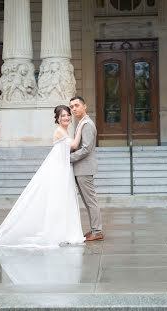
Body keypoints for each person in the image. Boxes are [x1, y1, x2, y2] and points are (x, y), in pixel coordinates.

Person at [0, 105, 88, 248]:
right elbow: (74, 145)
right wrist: (82, 125)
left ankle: (64, 232)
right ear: (57, 119)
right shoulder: (60, 130)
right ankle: (56, 232)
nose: (66, 117)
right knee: (57, 199)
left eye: (67, 115)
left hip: (63, 167)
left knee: (64, 199)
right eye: (63, 116)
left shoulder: (65, 130)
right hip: (57, 169)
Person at [69, 96, 104, 242]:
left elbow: (86, 149)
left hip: (84, 169)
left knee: (91, 202)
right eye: (71, 107)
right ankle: (94, 229)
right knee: (88, 202)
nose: (74, 109)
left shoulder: (87, 124)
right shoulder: (81, 123)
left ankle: (97, 231)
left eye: (77, 105)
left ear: (85, 106)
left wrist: (67, 159)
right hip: (80, 169)